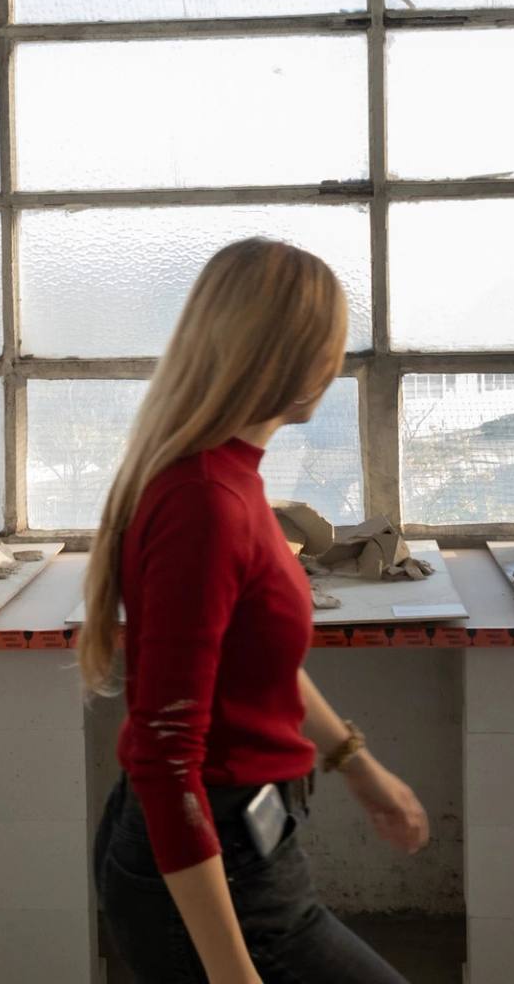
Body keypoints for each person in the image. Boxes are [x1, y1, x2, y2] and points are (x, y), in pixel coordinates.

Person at [82, 237, 430, 983]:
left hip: (243, 846)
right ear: (285, 356)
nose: (335, 368)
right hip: (213, 860)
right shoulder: (204, 501)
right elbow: (165, 758)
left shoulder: (229, 479)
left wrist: (358, 766)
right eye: (327, 347)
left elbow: (254, 664)